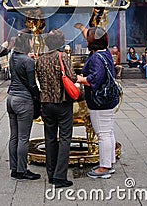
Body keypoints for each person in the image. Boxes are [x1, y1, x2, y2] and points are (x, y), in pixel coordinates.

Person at [36, 29, 77, 188]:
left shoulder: (40, 59)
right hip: (62, 103)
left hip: (46, 103)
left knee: (50, 138)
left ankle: (51, 174)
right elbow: (72, 77)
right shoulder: (63, 56)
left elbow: (39, 78)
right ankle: (60, 176)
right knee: (65, 138)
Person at [77, 26, 118, 179]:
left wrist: (81, 79)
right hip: (109, 99)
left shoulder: (96, 58)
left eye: (88, 38)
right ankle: (109, 162)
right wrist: (84, 30)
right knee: (108, 131)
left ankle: (104, 167)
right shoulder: (105, 53)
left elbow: (96, 78)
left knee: (102, 133)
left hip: (100, 101)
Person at [6, 30, 41, 181]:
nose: (33, 43)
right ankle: (22, 170)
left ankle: (14, 168)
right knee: (23, 137)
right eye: (32, 40)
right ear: (27, 42)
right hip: (23, 100)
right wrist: (38, 98)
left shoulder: (13, 56)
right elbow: (32, 84)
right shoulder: (28, 61)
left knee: (14, 135)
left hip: (11, 98)